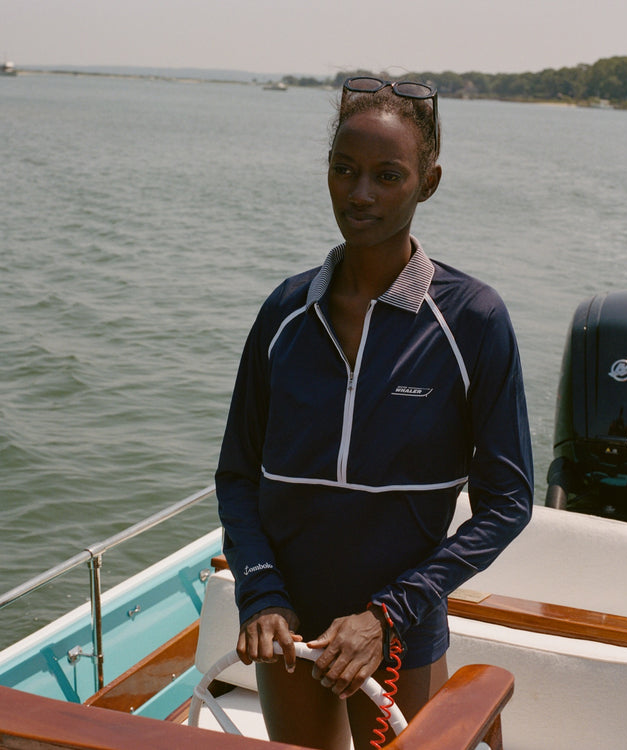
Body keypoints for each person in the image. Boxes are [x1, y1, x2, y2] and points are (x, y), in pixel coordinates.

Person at [215, 76, 533, 750]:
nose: (361, 194)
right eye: (345, 170)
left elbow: (507, 503)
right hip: (288, 631)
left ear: (429, 181)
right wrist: (261, 593)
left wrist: (389, 615)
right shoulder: (284, 313)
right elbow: (238, 477)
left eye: (388, 175)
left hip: (398, 635)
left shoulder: (473, 320)